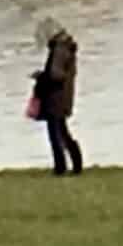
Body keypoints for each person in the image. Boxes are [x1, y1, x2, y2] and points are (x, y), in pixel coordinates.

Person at [31, 26, 82, 177]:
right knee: (62, 132)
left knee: (56, 134)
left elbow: (55, 75)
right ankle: (75, 164)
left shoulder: (59, 50)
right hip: (62, 96)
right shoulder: (66, 48)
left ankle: (61, 167)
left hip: (56, 98)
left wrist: (41, 78)